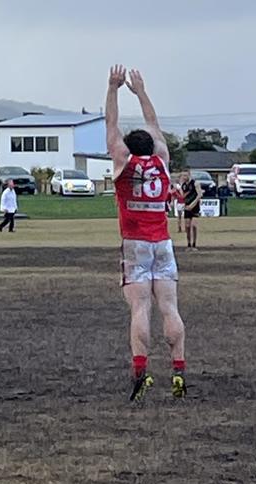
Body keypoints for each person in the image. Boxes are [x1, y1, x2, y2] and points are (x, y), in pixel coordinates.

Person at [106, 65, 187, 401]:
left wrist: (112, 88)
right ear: (152, 147)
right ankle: (179, 371)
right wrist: (141, 92)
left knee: (140, 309)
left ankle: (140, 372)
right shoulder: (162, 162)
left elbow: (110, 126)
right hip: (163, 244)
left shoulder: (125, 165)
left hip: (135, 245)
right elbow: (154, 126)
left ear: (128, 148)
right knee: (169, 308)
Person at [181, 169, 203, 250]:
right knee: (187, 226)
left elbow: (199, 195)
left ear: (189, 175)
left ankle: (194, 244)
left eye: (185, 175)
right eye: (183, 175)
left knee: (193, 225)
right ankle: (189, 244)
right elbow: (184, 196)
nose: (184, 177)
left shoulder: (195, 183)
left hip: (195, 207)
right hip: (187, 207)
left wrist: (193, 204)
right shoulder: (183, 185)